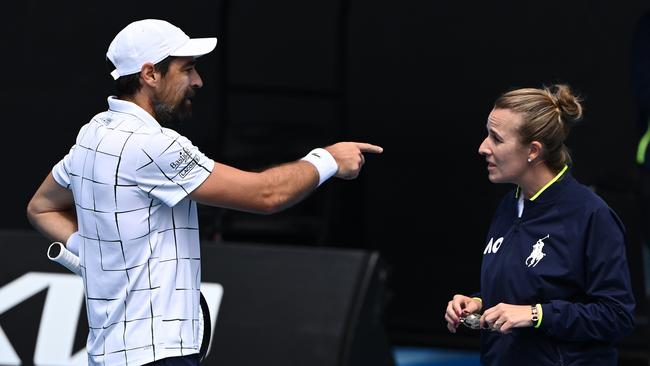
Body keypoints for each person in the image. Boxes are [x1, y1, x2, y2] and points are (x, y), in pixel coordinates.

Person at [26, 19, 382, 366]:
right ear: (150, 75)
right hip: (157, 357)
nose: (198, 80)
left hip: (108, 355)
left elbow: (41, 208)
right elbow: (265, 195)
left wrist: (96, 255)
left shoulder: (93, 136)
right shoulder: (154, 145)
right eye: (188, 69)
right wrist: (329, 159)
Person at [443, 84, 635, 365]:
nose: (483, 147)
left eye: (496, 138)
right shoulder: (509, 205)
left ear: (533, 150)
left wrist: (536, 315)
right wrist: (478, 303)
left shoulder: (591, 215)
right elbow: (526, 291)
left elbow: (617, 315)